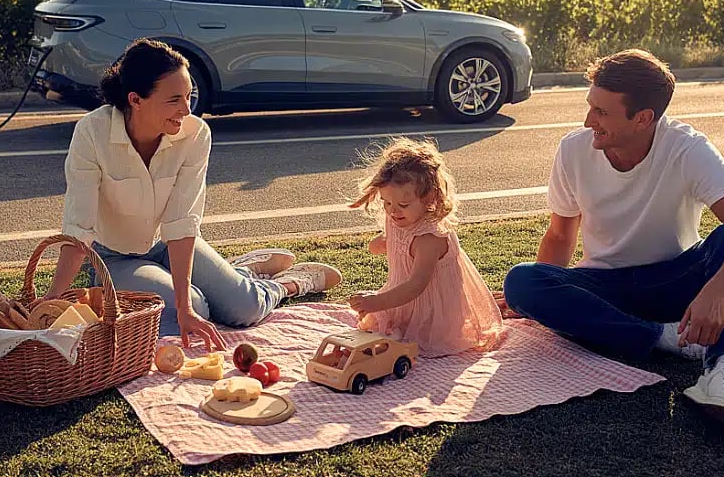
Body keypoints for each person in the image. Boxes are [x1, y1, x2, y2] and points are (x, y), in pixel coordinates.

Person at [500, 49, 724, 433]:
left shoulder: (687, 148)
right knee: (522, 280)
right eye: (590, 107)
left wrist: (715, 293)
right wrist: (537, 297)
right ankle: (669, 338)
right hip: (606, 287)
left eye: (601, 113)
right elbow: (560, 234)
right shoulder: (573, 150)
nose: (588, 120)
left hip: (677, 283)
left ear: (644, 118)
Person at [44, 38, 342, 351]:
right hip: (114, 258)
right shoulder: (92, 133)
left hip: (168, 243)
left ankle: (283, 284)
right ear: (136, 99)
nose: (186, 109)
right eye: (174, 100)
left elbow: (182, 222)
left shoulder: (195, 134)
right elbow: (79, 228)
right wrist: (52, 300)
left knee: (244, 309)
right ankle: (237, 273)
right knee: (195, 309)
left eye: (189, 96)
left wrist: (184, 308)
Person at [347, 137, 505, 357]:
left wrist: (377, 302)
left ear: (429, 198)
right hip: (403, 299)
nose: (393, 211)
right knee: (382, 334)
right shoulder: (400, 219)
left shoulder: (429, 238)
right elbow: (391, 243)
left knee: (411, 344)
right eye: (386, 203)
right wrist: (381, 243)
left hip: (433, 310)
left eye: (402, 205)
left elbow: (416, 284)